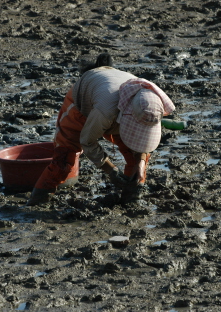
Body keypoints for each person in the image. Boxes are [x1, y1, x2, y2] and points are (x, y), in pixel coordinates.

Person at [27, 53, 175, 206]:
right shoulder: (106, 111)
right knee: (64, 158)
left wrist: (141, 162)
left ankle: (132, 199)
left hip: (111, 102)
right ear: (125, 118)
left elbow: (144, 141)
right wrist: (111, 170)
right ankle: (37, 201)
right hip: (82, 102)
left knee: (136, 159)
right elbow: (87, 141)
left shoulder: (150, 106)